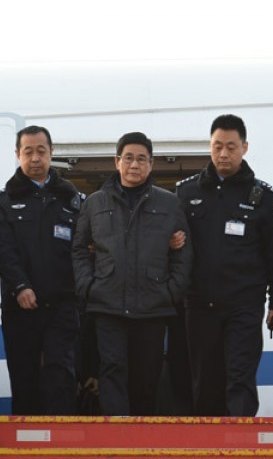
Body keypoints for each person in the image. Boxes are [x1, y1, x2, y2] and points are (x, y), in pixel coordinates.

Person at [176, 114, 273, 417]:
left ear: (244, 147)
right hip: (199, 305)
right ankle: (208, 441)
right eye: (217, 146)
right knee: (205, 382)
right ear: (210, 147)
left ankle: (240, 440)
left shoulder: (263, 197)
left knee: (240, 379)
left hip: (244, 305)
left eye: (231, 146)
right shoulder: (186, 192)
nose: (223, 154)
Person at [72, 131, 193, 416]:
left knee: (146, 376)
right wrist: (89, 286)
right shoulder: (95, 203)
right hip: (107, 304)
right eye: (128, 158)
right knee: (112, 371)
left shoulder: (169, 203)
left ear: (151, 164)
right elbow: (79, 249)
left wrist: (170, 292)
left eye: (141, 159)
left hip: (153, 307)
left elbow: (184, 253)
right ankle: (116, 432)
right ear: (117, 162)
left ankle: (142, 433)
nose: (134, 165)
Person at [0, 125, 83, 415]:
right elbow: (4, 251)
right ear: (17, 155)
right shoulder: (2, 202)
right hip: (20, 307)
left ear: (51, 153)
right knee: (24, 379)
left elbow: (84, 248)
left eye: (41, 151)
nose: (35, 158)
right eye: (28, 152)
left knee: (60, 377)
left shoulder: (72, 199)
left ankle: (61, 438)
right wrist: (20, 286)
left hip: (63, 305)